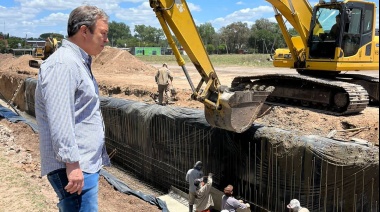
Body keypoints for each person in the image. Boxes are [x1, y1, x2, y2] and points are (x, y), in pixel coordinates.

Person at [34, 5, 111, 211]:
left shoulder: (77, 62)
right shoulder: (64, 65)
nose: (106, 40)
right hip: (75, 169)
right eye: (103, 33)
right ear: (84, 31)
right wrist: (72, 165)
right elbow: (60, 118)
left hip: (81, 166)